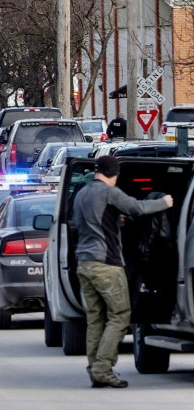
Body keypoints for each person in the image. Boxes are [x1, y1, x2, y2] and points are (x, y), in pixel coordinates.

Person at [73, 155, 173, 388]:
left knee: (96, 319)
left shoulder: (81, 194)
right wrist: (164, 203)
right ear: (113, 173)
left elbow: (87, 224)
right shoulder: (109, 193)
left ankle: (94, 368)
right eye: (117, 175)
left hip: (84, 263)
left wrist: (116, 221)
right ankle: (103, 368)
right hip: (106, 264)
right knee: (119, 315)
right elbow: (137, 207)